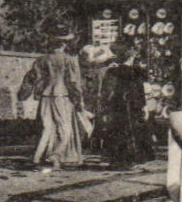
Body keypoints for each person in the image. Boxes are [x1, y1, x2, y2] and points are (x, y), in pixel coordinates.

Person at [20, 29, 85, 171]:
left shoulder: (41, 60)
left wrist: (25, 94)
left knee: (46, 129)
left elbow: (31, 78)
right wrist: (79, 100)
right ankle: (56, 155)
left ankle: (37, 158)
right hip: (62, 96)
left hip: (45, 97)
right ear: (64, 44)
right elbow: (74, 82)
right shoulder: (69, 60)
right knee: (65, 130)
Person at [97, 38, 151, 168]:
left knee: (117, 131)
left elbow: (106, 91)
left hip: (116, 105)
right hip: (133, 105)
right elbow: (140, 91)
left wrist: (104, 106)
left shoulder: (111, 72)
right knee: (132, 131)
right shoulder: (136, 72)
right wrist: (143, 106)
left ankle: (117, 158)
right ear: (129, 58)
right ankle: (132, 158)